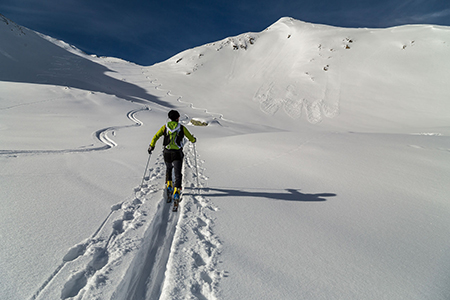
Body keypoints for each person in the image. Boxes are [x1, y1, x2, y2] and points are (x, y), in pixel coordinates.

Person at [148, 110, 196, 200]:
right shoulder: (181, 128)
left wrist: (151, 146)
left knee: (169, 168)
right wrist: (193, 140)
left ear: (170, 118)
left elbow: (156, 136)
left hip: (167, 153)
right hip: (177, 153)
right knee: (178, 174)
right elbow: (190, 138)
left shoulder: (164, 127)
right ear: (177, 118)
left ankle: (169, 185)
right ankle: (177, 191)